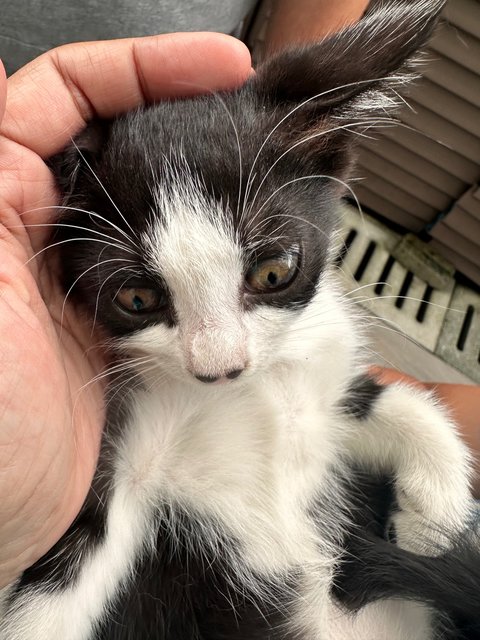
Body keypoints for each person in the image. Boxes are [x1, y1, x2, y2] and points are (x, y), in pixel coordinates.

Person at [0, 9, 478, 593]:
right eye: (139, 297)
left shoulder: (293, 152)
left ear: (327, 156)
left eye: (273, 274)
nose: (219, 361)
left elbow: (339, 402)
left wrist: (422, 439)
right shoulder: (112, 405)